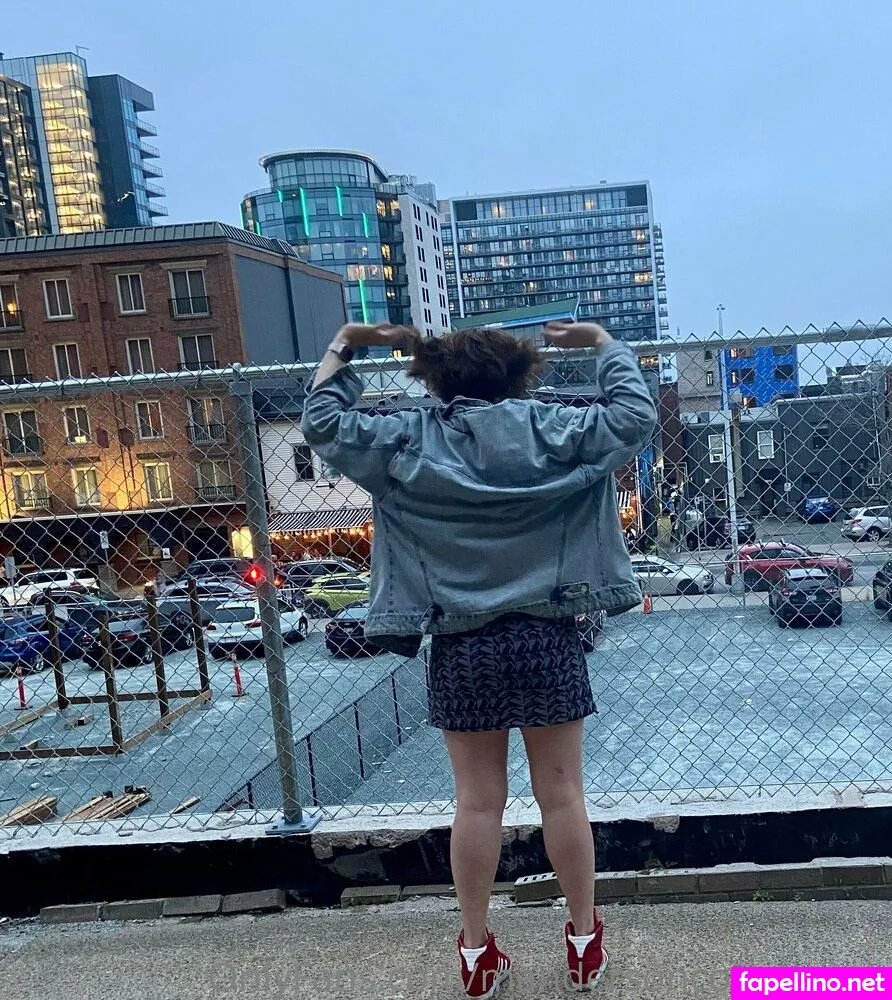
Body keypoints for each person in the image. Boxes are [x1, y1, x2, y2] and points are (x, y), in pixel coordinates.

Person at [302, 321, 656, 996]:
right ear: (517, 375)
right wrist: (603, 343)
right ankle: (584, 944)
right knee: (563, 796)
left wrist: (346, 342)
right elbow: (635, 415)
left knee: (477, 804)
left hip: (461, 643)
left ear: (437, 379)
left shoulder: (406, 438)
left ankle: (475, 952)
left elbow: (320, 422)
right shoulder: (556, 429)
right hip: (547, 636)